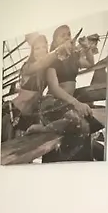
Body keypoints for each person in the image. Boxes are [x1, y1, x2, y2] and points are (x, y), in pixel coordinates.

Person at [41, 25, 97, 162]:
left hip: (67, 104)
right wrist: (76, 103)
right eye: (63, 35)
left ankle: (82, 161)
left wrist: (87, 48)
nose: (67, 37)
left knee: (90, 118)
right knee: (79, 122)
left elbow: (90, 63)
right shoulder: (53, 59)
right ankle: (40, 129)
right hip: (52, 104)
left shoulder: (74, 57)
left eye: (69, 34)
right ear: (55, 41)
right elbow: (54, 88)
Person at [1, 33, 71, 142]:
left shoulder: (47, 69)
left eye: (43, 47)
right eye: (37, 48)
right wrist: (58, 50)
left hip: (29, 118)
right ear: (32, 51)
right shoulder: (28, 67)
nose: (41, 51)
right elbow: (41, 63)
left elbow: (56, 85)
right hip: (12, 114)